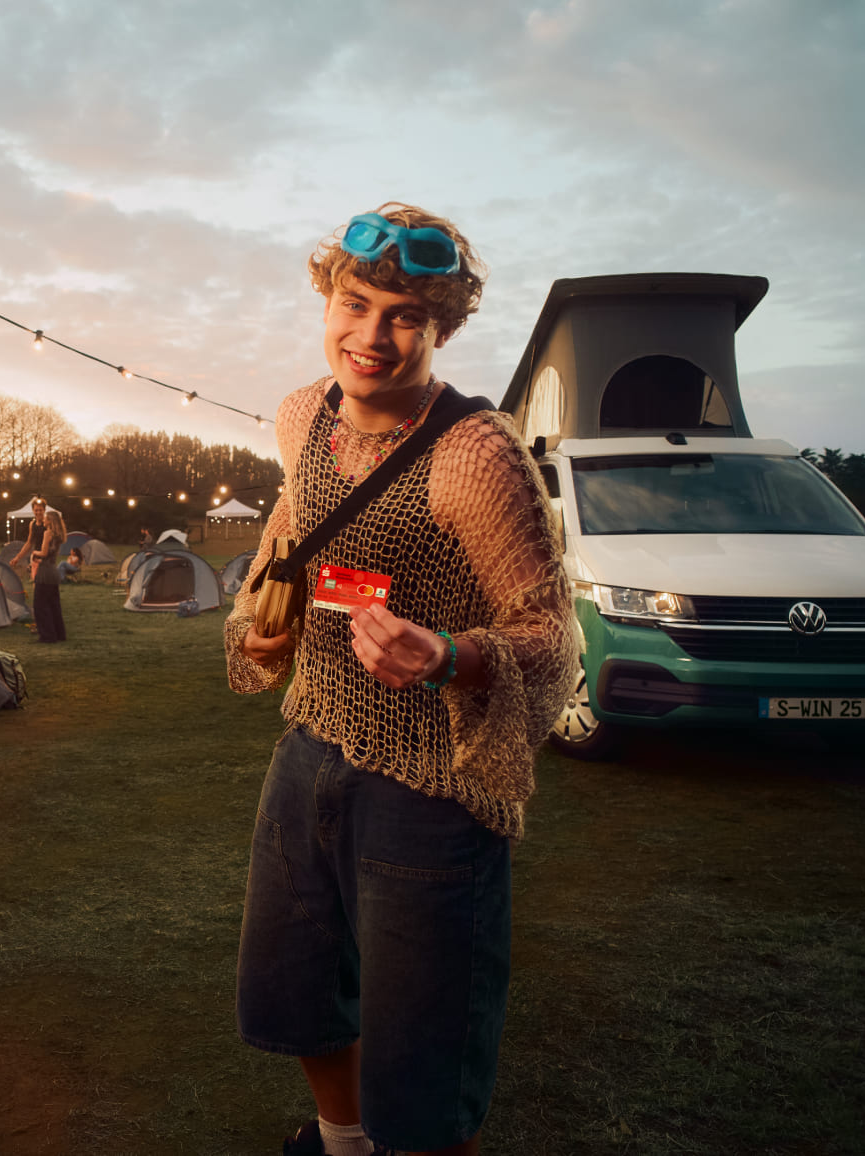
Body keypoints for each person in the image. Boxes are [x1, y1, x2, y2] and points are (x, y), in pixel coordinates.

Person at [225, 203, 576, 1156]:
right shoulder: (304, 415)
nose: (372, 336)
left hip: (428, 786)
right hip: (310, 747)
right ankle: (343, 1144)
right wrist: (264, 617)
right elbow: (290, 534)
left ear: (445, 326)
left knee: (426, 1043)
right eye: (357, 302)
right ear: (328, 296)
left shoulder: (476, 455)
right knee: (295, 983)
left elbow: (552, 640)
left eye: (406, 316)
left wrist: (453, 656)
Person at [24, 495, 68, 643]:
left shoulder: (47, 533)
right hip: (54, 571)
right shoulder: (59, 535)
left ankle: (47, 636)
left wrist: (34, 553)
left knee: (40, 606)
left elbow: (42, 553)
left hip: (44, 572)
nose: (44, 518)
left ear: (51, 520)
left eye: (46, 517)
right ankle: (59, 634)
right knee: (54, 605)